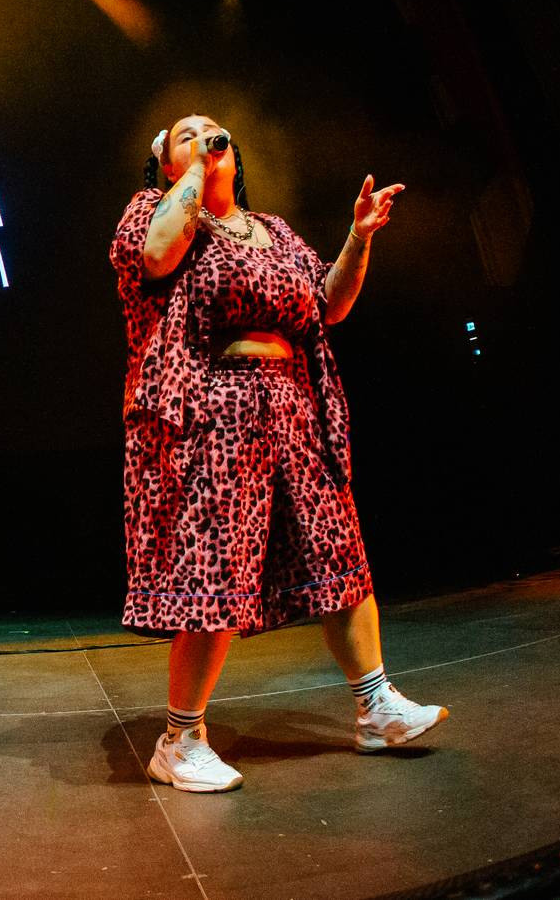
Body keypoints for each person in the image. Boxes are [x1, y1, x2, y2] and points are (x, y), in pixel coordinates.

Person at [111, 115, 445, 793]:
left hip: (295, 405)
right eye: (188, 135)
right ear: (167, 165)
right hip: (216, 412)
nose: (209, 135)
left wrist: (359, 237)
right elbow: (155, 258)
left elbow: (328, 306)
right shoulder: (156, 209)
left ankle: (376, 707)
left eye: (215, 129)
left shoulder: (276, 231)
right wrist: (194, 177)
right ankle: (179, 738)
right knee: (217, 569)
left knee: (337, 551)